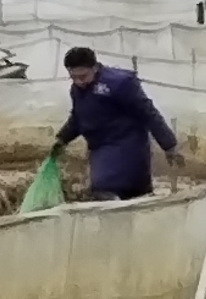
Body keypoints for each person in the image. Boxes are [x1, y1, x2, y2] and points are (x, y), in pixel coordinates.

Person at [51, 47, 181, 202]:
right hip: (100, 148)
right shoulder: (77, 90)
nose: (79, 82)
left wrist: (169, 144)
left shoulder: (120, 83)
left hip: (127, 145)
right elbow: (79, 117)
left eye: (83, 76)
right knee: (110, 190)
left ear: (95, 67)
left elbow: (147, 112)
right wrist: (62, 139)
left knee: (107, 189)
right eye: (74, 77)